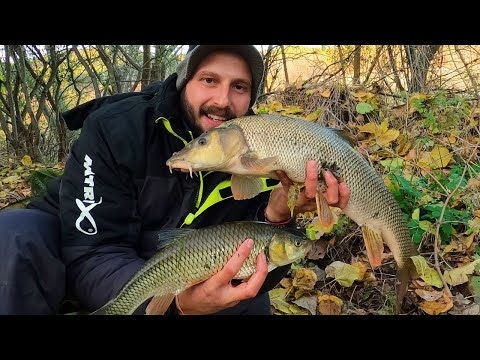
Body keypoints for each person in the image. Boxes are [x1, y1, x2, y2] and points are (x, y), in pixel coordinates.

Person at [0, 45, 350, 315]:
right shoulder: (115, 127)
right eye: (209, 80)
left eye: (239, 87)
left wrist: (279, 216)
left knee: (250, 303)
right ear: (185, 81)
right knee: (14, 236)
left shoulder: (268, 149)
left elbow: (260, 253)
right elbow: (92, 249)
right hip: (81, 245)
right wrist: (176, 305)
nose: (222, 101)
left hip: (183, 258)